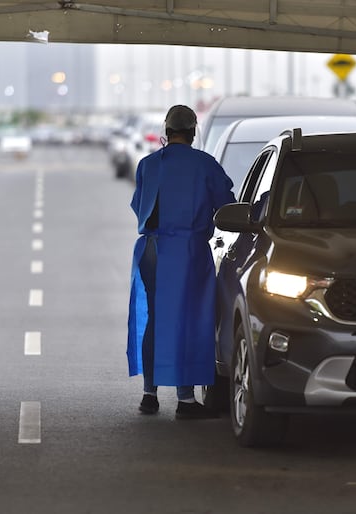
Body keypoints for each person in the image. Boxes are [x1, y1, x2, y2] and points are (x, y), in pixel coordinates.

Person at [127, 105, 236, 420]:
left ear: (166, 131)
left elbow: (139, 206)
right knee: (187, 321)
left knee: (155, 320)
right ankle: (186, 401)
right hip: (186, 252)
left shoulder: (147, 165)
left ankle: (149, 395)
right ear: (192, 131)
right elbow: (226, 206)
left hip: (150, 249)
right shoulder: (204, 165)